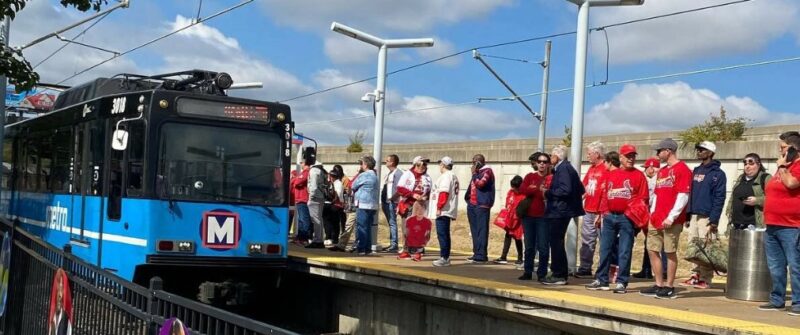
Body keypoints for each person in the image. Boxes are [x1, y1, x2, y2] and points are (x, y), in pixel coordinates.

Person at [585, 145, 649, 294]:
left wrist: (631, 214)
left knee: (624, 250)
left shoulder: (639, 175)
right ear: (621, 158)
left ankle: (622, 282)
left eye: (633, 156)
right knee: (605, 249)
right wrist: (603, 214)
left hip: (626, 218)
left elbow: (643, 198)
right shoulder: (611, 174)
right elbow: (605, 195)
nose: (631, 159)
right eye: (628, 156)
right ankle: (602, 280)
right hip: (609, 216)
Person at [640, 138, 691, 300]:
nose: (657, 154)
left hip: (671, 220)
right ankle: (658, 283)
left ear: (668, 151)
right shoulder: (661, 171)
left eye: (659, 151)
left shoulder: (682, 169)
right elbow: (656, 194)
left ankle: (669, 286)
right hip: (656, 218)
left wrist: (671, 217)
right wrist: (652, 213)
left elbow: (683, 195)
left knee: (669, 252)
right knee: (653, 250)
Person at [759, 131, 800, 316]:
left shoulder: (796, 166)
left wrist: (783, 167)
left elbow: (791, 184)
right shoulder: (783, 167)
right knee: (775, 265)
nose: (780, 151)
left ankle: (798, 303)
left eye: (783, 148)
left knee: (795, 265)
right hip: (773, 224)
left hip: (791, 225)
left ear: (793, 149)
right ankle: (777, 299)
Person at [682, 141, 727, 289]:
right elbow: (692, 194)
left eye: (702, 150)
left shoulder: (718, 174)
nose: (699, 152)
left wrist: (714, 219)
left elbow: (719, 198)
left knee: (706, 247)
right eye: (698, 149)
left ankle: (706, 278)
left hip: (707, 216)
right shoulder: (696, 171)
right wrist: (688, 215)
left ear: (710, 153)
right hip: (694, 214)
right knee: (694, 247)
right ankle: (695, 274)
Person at [542, 145, 585, 285]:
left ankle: (559, 274)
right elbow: (580, 188)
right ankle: (558, 271)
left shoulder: (564, 168)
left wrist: (548, 193)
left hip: (560, 211)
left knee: (556, 242)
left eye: (551, 155)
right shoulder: (564, 168)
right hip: (561, 210)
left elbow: (566, 190)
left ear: (557, 156)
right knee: (556, 241)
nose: (550, 158)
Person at [577, 141, 608, 278]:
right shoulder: (591, 169)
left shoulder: (605, 168)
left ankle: (603, 270)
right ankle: (585, 267)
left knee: (604, 242)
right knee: (587, 240)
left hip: (600, 212)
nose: (588, 156)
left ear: (597, 154)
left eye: (589, 153)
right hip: (588, 210)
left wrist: (601, 212)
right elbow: (583, 188)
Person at [518, 152, 550, 281]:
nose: (542, 164)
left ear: (548, 164)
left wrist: (534, 189)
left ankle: (542, 273)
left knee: (543, 246)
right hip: (529, 216)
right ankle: (528, 271)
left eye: (544, 161)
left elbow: (551, 193)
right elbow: (522, 190)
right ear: (536, 163)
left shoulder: (551, 177)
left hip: (544, 217)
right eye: (540, 161)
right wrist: (537, 188)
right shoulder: (530, 176)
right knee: (529, 246)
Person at [632, 157, 663, 279]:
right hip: (639, 212)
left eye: (653, 167)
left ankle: (647, 269)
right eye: (647, 168)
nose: (650, 170)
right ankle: (644, 269)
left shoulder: (659, 179)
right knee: (630, 238)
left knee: (651, 242)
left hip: (651, 212)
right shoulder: (641, 177)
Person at [396, 156, 433, 255]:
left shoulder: (427, 177)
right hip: (409, 204)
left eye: (426, 164)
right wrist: (412, 194)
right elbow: (400, 188)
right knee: (406, 227)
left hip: (421, 205)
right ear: (417, 164)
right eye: (423, 163)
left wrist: (426, 197)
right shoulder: (407, 174)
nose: (425, 166)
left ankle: (418, 247)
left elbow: (430, 191)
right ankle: (406, 247)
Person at [725, 153, 771, 231]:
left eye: (751, 163)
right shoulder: (740, 178)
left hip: (755, 226)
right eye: (745, 164)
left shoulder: (765, 178)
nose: (747, 166)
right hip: (736, 224)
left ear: (758, 164)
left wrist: (757, 200)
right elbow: (733, 197)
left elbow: (774, 199)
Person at [465, 154, 495, 264]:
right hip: (472, 204)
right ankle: (476, 253)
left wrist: (474, 173)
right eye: (473, 162)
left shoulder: (487, 171)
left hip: (482, 205)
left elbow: (481, 184)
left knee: (481, 230)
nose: (474, 164)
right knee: (474, 230)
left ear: (481, 162)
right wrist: (467, 199)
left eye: (476, 162)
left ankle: (481, 255)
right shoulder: (477, 173)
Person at [430, 156, 460, 267]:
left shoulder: (446, 176)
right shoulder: (453, 176)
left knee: (442, 234)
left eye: (440, 164)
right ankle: (445, 256)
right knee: (445, 234)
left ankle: (444, 257)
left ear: (443, 165)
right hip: (448, 209)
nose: (439, 166)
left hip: (444, 210)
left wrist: (439, 207)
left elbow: (444, 193)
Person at [351, 156, 379, 256]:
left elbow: (353, 185)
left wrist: (358, 173)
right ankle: (368, 248)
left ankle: (361, 248)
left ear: (365, 165)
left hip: (363, 203)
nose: (361, 166)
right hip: (372, 204)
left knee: (361, 227)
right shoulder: (375, 175)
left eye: (361, 164)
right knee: (368, 227)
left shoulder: (364, 175)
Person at [494, 175, 524, 265]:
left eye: (515, 188)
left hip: (518, 220)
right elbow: (508, 203)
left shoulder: (523, 195)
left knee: (517, 238)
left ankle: (520, 257)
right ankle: (503, 256)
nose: (513, 189)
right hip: (510, 218)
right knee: (508, 236)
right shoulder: (511, 192)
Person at [381, 155, 404, 252]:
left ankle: (394, 244)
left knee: (392, 223)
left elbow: (400, 189)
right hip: (387, 201)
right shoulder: (390, 173)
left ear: (392, 162)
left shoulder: (398, 173)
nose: (385, 162)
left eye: (387, 160)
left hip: (393, 202)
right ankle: (392, 243)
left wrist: (392, 198)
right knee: (391, 223)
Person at [306, 160, 327, 248]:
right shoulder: (321, 171)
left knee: (315, 220)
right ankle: (319, 239)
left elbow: (313, 186)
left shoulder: (313, 171)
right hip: (321, 196)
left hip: (315, 197)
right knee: (319, 219)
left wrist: (311, 196)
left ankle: (317, 240)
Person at [322, 168, 345, 246]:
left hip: (336, 205)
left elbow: (336, 195)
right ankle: (329, 237)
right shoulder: (332, 183)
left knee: (334, 222)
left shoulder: (338, 183)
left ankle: (333, 238)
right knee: (328, 222)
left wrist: (331, 201)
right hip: (331, 204)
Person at [292, 160, 312, 245]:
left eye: (302, 163)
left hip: (303, 199)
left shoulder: (306, 173)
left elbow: (296, 182)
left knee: (304, 219)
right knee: (301, 220)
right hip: (300, 199)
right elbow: (295, 182)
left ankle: (305, 238)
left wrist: (296, 181)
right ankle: (300, 237)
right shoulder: (303, 173)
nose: (301, 164)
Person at [48, 269, 72, 335]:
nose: (60, 295)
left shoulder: (66, 317)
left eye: (62, 289)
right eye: (59, 288)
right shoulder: (54, 314)